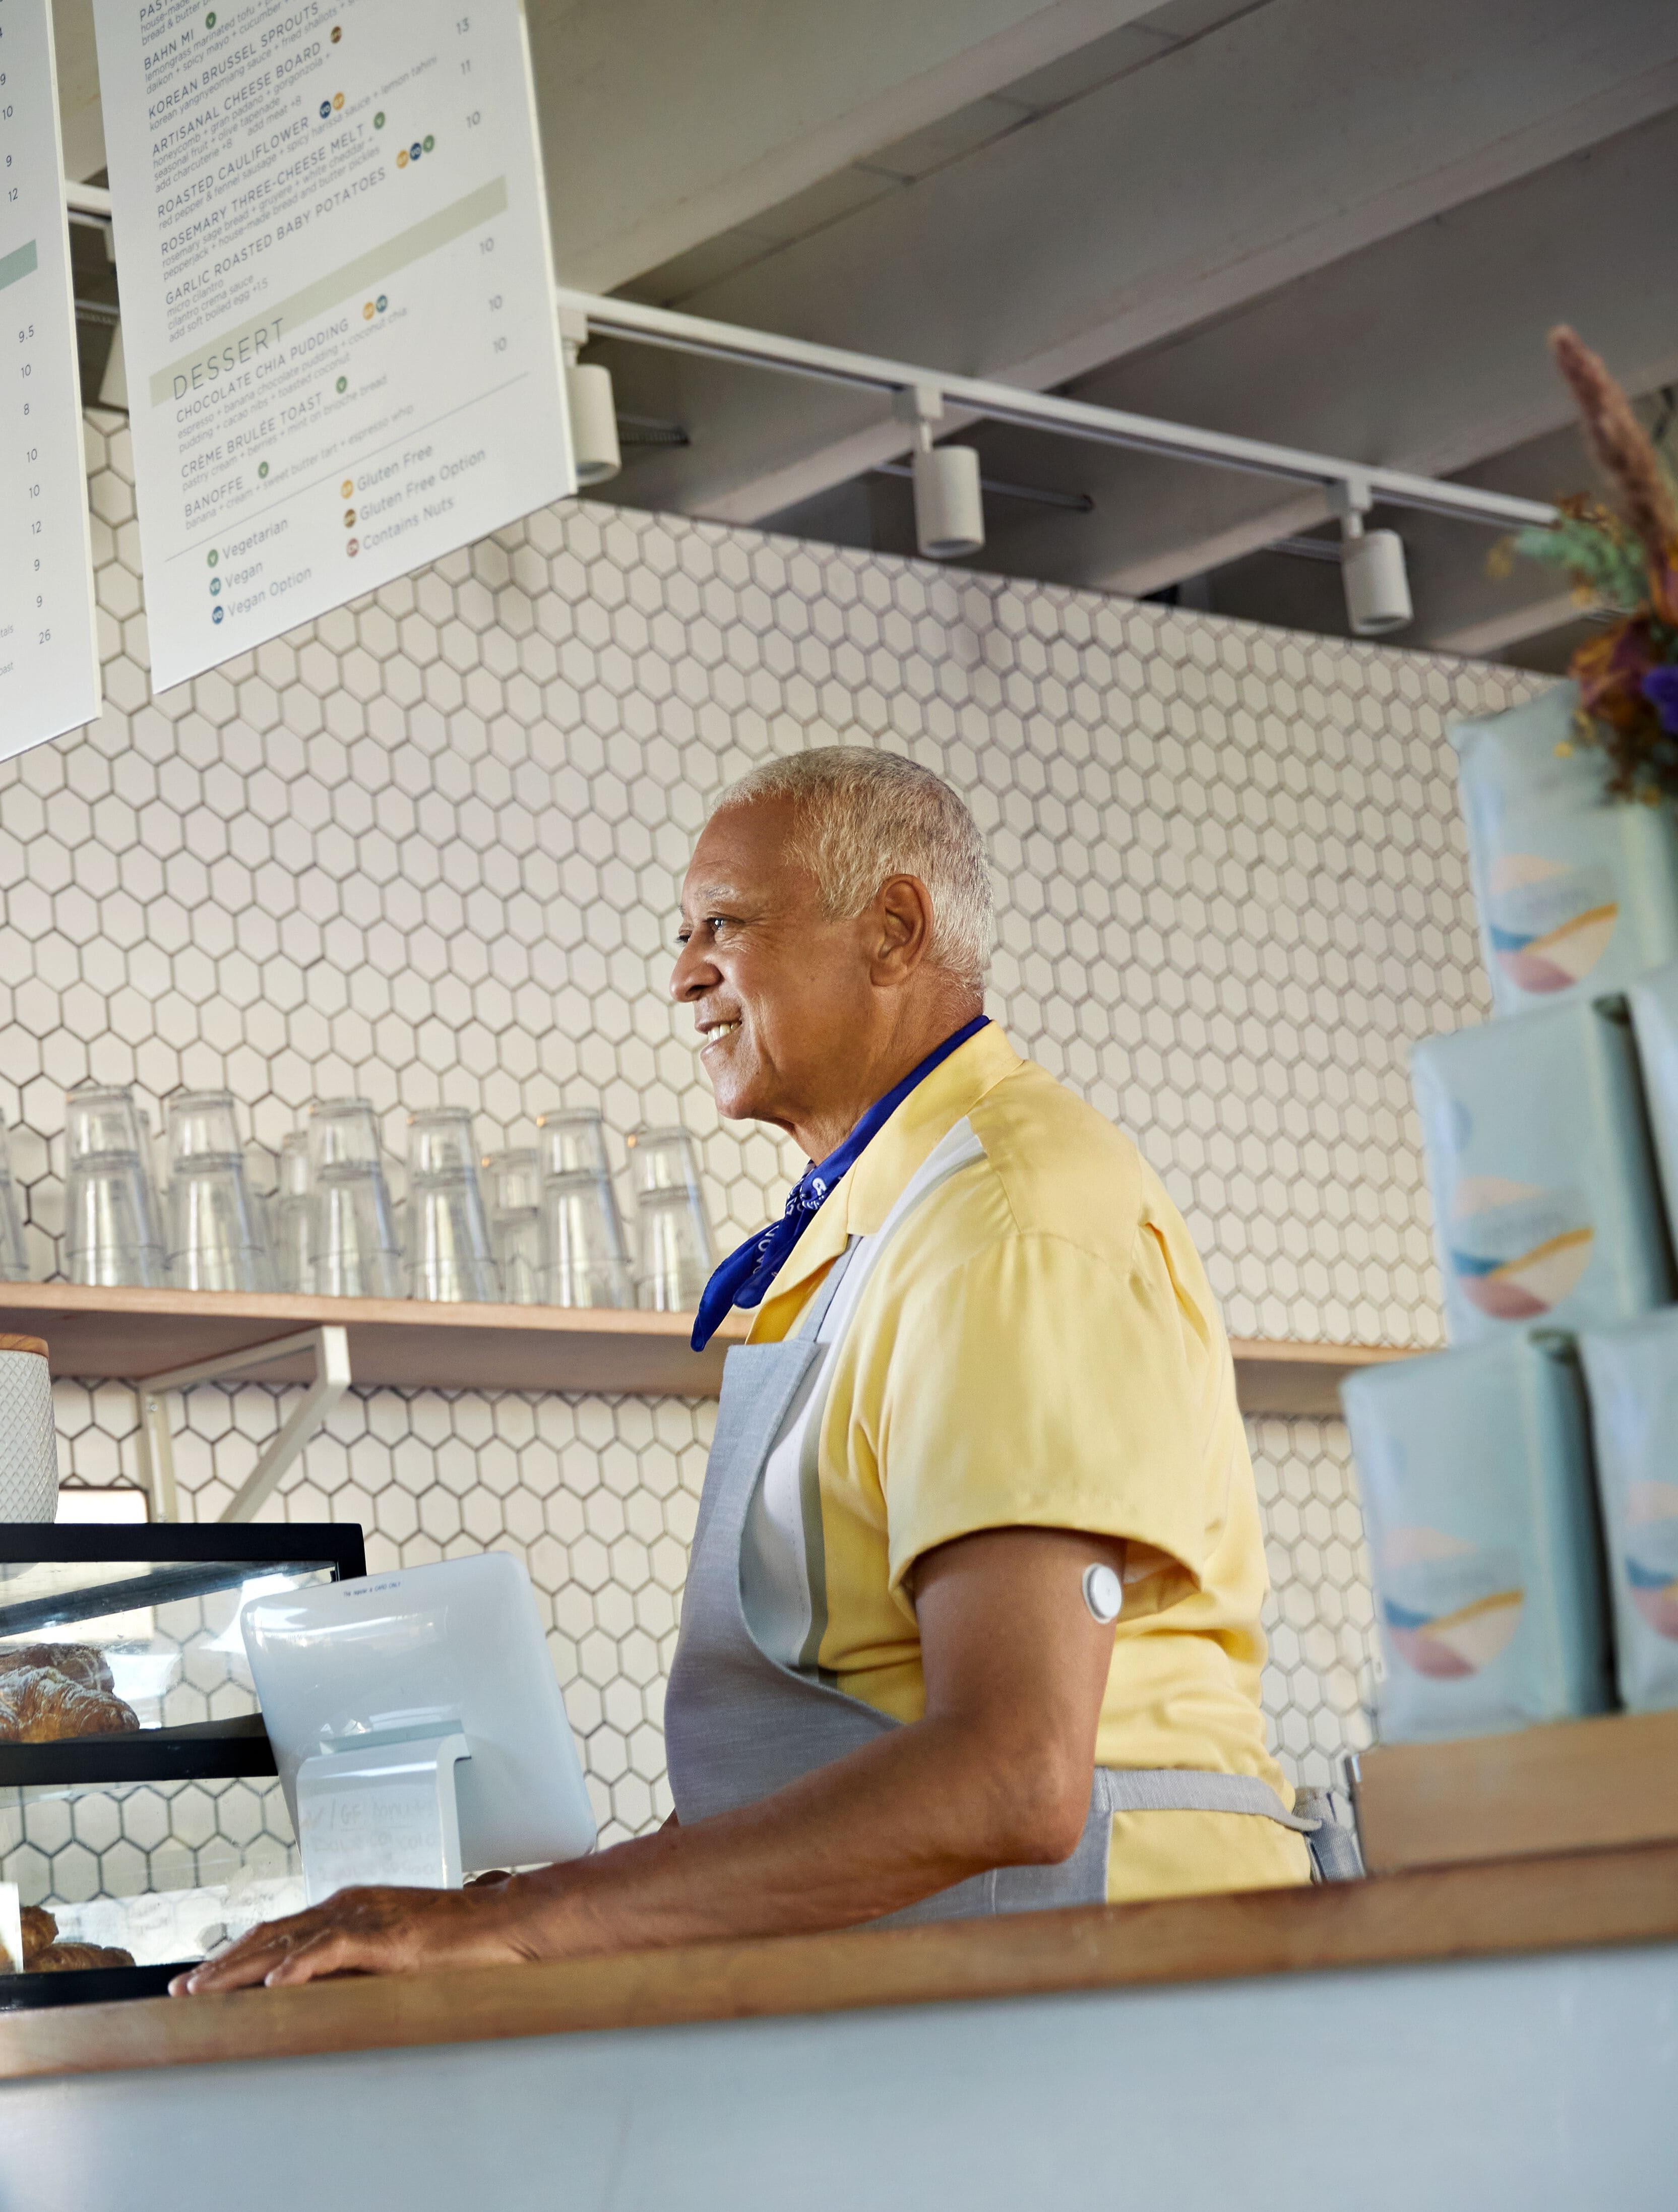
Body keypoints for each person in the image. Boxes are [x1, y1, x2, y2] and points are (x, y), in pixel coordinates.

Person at [176, 748, 1313, 1995]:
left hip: (1107, 1981)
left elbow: (1016, 1772)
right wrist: (504, 1910)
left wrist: (540, 1921)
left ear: (893, 930)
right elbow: (821, 1734)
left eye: (725, 924)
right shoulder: (876, 1225)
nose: (682, 974)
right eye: (684, 933)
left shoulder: (1007, 1214)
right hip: (957, 1985)